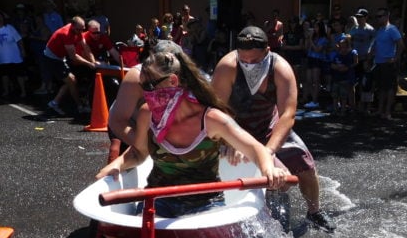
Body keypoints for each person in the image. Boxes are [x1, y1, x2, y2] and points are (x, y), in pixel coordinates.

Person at [96, 49, 288, 217]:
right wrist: (115, 166)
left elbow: (255, 148)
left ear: (173, 81)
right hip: (158, 199)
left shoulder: (211, 119)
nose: (145, 94)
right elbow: (139, 153)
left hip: (206, 203)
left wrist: (268, 170)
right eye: (142, 87)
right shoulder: (147, 113)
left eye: (149, 86)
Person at [212, 26, 336, 232]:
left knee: (305, 165)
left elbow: (288, 115)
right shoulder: (227, 67)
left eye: (255, 61)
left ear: (267, 51)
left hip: (270, 126)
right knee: (240, 168)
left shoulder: (280, 68)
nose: (249, 65)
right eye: (244, 61)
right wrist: (229, 141)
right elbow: (217, 111)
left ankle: (314, 211)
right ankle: (244, 219)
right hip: (236, 129)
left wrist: (268, 152)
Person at [43, 16, 97, 115]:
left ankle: (54, 103)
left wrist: (94, 62)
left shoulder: (78, 31)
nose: (80, 32)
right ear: (72, 26)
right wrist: (89, 64)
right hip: (52, 58)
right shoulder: (66, 34)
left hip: (60, 57)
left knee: (70, 81)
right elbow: (73, 57)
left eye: (82, 29)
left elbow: (86, 47)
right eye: (78, 29)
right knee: (71, 80)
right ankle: (80, 107)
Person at [370, 8, 404, 120]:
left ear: (386, 16)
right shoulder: (380, 30)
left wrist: (395, 58)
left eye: (380, 16)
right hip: (379, 63)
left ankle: (388, 111)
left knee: (389, 88)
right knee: (381, 88)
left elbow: (401, 45)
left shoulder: (392, 29)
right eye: (377, 16)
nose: (378, 19)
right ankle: (380, 110)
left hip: (388, 63)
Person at [0, 10, 28, 98]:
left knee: (19, 74)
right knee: (4, 75)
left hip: (15, 56)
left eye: (0, 17)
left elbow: (19, 40)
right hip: (2, 58)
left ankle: (23, 91)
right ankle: (6, 90)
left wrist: (22, 50)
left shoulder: (10, 28)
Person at [329, 34, 358, 115]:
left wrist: (347, 67)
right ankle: (336, 109)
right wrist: (337, 67)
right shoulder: (338, 55)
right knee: (336, 94)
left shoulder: (352, 52)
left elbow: (355, 62)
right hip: (337, 77)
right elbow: (332, 64)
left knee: (345, 94)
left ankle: (346, 109)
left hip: (347, 77)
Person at [302, 20, 328, 110]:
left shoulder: (323, 39)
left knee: (316, 80)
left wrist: (310, 40)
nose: (315, 29)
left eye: (316, 27)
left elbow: (317, 49)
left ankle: (315, 100)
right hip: (310, 58)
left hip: (318, 59)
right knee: (309, 80)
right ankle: (313, 99)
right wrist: (307, 39)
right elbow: (307, 49)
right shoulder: (313, 37)